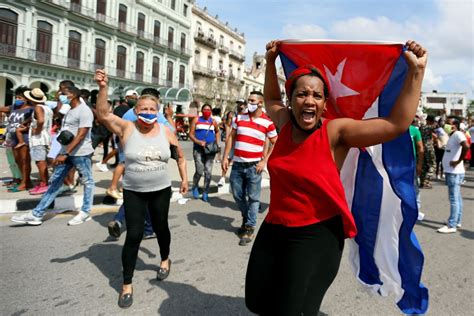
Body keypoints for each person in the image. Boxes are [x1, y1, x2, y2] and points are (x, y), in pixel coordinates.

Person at [243, 40, 427, 315]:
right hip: (274, 227)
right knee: (256, 300)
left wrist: (416, 73)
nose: (309, 100)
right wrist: (270, 63)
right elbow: (270, 99)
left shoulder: (336, 132)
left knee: (291, 309)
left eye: (317, 96)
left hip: (316, 235)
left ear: (324, 103)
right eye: (302, 94)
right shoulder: (283, 122)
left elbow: (395, 124)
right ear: (291, 100)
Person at [94, 69, 188, 308]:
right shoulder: (127, 127)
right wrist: (103, 87)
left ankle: (165, 259)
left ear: (158, 112)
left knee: (161, 228)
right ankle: (126, 284)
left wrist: (184, 179)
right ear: (135, 111)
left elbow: (179, 156)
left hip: (161, 191)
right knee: (134, 235)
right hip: (134, 192)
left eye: (152, 109)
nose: (147, 112)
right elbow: (103, 114)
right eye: (143, 109)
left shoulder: (166, 131)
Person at [11, 86, 95, 226]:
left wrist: (66, 153)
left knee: (88, 181)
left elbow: (81, 135)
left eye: (63, 93)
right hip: (65, 152)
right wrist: (60, 152)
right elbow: (66, 131)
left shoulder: (84, 110)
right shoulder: (69, 110)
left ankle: (85, 212)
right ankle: (37, 214)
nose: (60, 96)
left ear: (73, 95)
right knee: (55, 182)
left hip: (80, 153)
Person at [221, 92, 278, 246]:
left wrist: (264, 161)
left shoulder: (268, 122)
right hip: (237, 165)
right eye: (249, 100)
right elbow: (231, 137)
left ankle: (250, 227)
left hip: (254, 166)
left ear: (260, 103)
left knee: (254, 198)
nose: (249, 102)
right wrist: (225, 157)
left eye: (252, 100)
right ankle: (247, 218)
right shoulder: (239, 117)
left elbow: (276, 142)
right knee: (237, 194)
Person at [437, 119, 469, 234]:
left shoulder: (458, 134)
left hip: (454, 172)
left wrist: (458, 161)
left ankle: (452, 225)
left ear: (455, 125)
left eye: (449, 123)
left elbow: (466, 146)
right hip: (453, 171)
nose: (446, 125)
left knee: (454, 199)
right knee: (457, 197)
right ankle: (457, 221)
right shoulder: (454, 135)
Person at [189, 103, 221, 202]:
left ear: (211, 111)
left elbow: (217, 132)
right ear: (202, 111)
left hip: (210, 150)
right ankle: (195, 187)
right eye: (205, 109)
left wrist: (217, 142)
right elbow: (190, 134)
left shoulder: (214, 122)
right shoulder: (196, 120)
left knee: (208, 172)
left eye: (209, 109)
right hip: (198, 149)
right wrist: (198, 141)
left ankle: (205, 192)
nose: (207, 111)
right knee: (199, 170)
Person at [24, 88, 53, 195]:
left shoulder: (38, 107)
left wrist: (37, 130)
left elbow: (40, 120)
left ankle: (44, 184)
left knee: (40, 162)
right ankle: (45, 181)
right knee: (43, 162)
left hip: (38, 138)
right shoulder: (47, 108)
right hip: (46, 137)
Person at [5, 87, 34, 192]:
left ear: (26, 98)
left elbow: (35, 121)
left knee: (25, 161)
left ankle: (24, 183)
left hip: (24, 137)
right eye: (16, 97)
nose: (17, 99)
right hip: (13, 138)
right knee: (18, 161)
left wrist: (27, 127)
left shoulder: (31, 109)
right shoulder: (13, 107)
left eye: (20, 97)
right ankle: (26, 181)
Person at [409, 120, 425, 220]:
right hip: (396, 164)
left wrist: (419, 164)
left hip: (411, 164)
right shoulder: (396, 129)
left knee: (414, 187)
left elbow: (420, 148)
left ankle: (417, 210)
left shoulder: (414, 131)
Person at [419, 114, 436, 188]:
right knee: (432, 165)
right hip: (429, 148)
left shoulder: (421, 127)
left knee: (424, 165)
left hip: (422, 147)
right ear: (431, 121)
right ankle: (426, 181)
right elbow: (441, 125)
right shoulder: (430, 127)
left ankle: (422, 181)